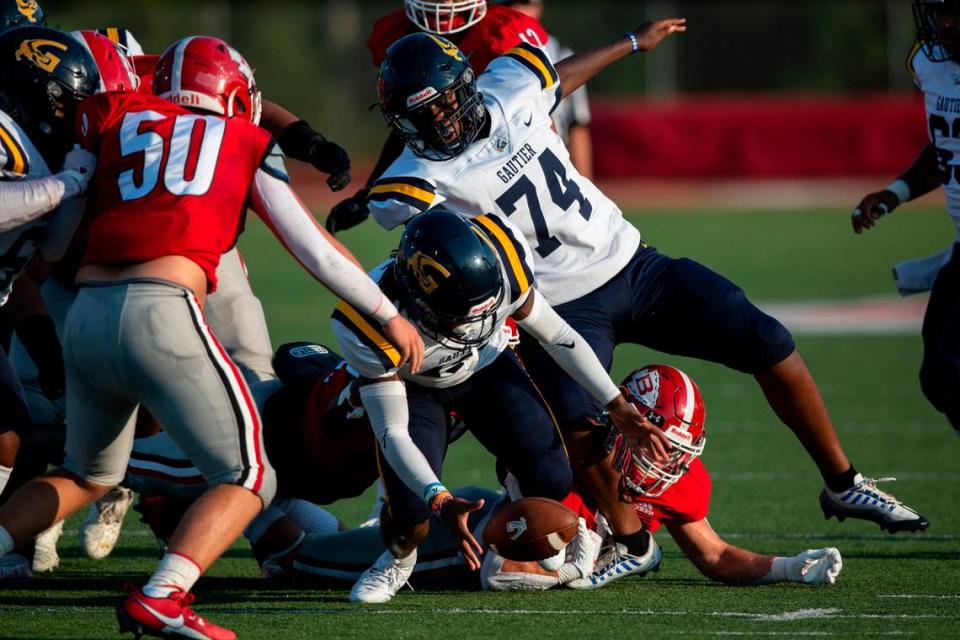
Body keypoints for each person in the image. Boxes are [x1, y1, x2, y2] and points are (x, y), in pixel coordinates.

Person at [365, 23, 929, 564]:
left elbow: (561, 74)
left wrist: (632, 42)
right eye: (420, 112)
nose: (437, 120)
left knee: (768, 338)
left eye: (442, 102)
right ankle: (633, 545)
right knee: (580, 431)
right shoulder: (412, 181)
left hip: (634, 264)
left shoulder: (511, 87)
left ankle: (842, 483)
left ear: (465, 86)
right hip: (559, 309)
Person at [0, 34, 423, 640]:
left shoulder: (116, 120)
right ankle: (163, 596)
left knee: (85, 475)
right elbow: (308, 246)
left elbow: (61, 243)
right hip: (163, 309)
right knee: (251, 476)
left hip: (88, 313)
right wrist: (387, 313)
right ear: (233, 96)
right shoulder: (244, 139)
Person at [332, 209, 667, 603]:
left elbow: (558, 335)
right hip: (414, 389)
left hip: (486, 367)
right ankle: (398, 561)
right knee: (411, 519)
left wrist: (616, 404)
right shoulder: (369, 317)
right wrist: (438, 497)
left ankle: (519, 518)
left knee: (552, 476)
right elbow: (393, 432)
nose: (471, 324)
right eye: (457, 317)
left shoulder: (503, 253)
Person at [284, 365, 843, 590]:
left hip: (493, 538)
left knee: (330, 542)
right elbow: (503, 567)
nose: (666, 462)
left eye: (676, 451)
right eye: (656, 445)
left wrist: (790, 567)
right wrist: (570, 567)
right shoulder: (578, 460)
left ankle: (302, 521)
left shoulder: (676, 479)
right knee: (300, 564)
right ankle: (273, 520)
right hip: (477, 540)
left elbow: (715, 555)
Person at [0, 24, 99, 579]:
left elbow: (49, 254)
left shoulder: (40, 151)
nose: (71, 117)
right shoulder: (5, 131)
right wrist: (66, 186)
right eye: (68, 104)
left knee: (9, 430)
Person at [325, 0, 548, 233]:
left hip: (511, 156)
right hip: (447, 175)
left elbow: (538, 110)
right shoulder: (394, 34)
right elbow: (412, 125)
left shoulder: (504, 31)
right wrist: (367, 193)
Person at [852, 0, 960, 438]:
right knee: (938, 378)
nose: (945, 23)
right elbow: (945, 147)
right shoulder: (928, 63)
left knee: (954, 366)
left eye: (956, 12)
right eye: (940, 12)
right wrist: (895, 193)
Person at [494, 0, 592, 178]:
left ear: (540, 6)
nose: (518, 10)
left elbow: (576, 125)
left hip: (554, 167)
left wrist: (585, 181)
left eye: (526, 3)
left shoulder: (561, 53)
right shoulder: (487, 50)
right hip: (506, 172)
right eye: (510, 3)